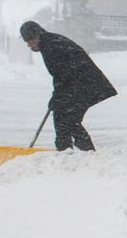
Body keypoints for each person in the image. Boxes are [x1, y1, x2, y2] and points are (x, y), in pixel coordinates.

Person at [19, 20, 117, 152]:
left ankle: (72, 150)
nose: (29, 44)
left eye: (30, 40)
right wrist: (57, 96)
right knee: (66, 117)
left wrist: (57, 97)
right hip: (83, 84)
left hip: (86, 84)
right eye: (26, 41)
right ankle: (75, 150)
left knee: (66, 117)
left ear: (37, 35)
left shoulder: (50, 45)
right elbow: (63, 74)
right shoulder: (49, 42)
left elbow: (62, 74)